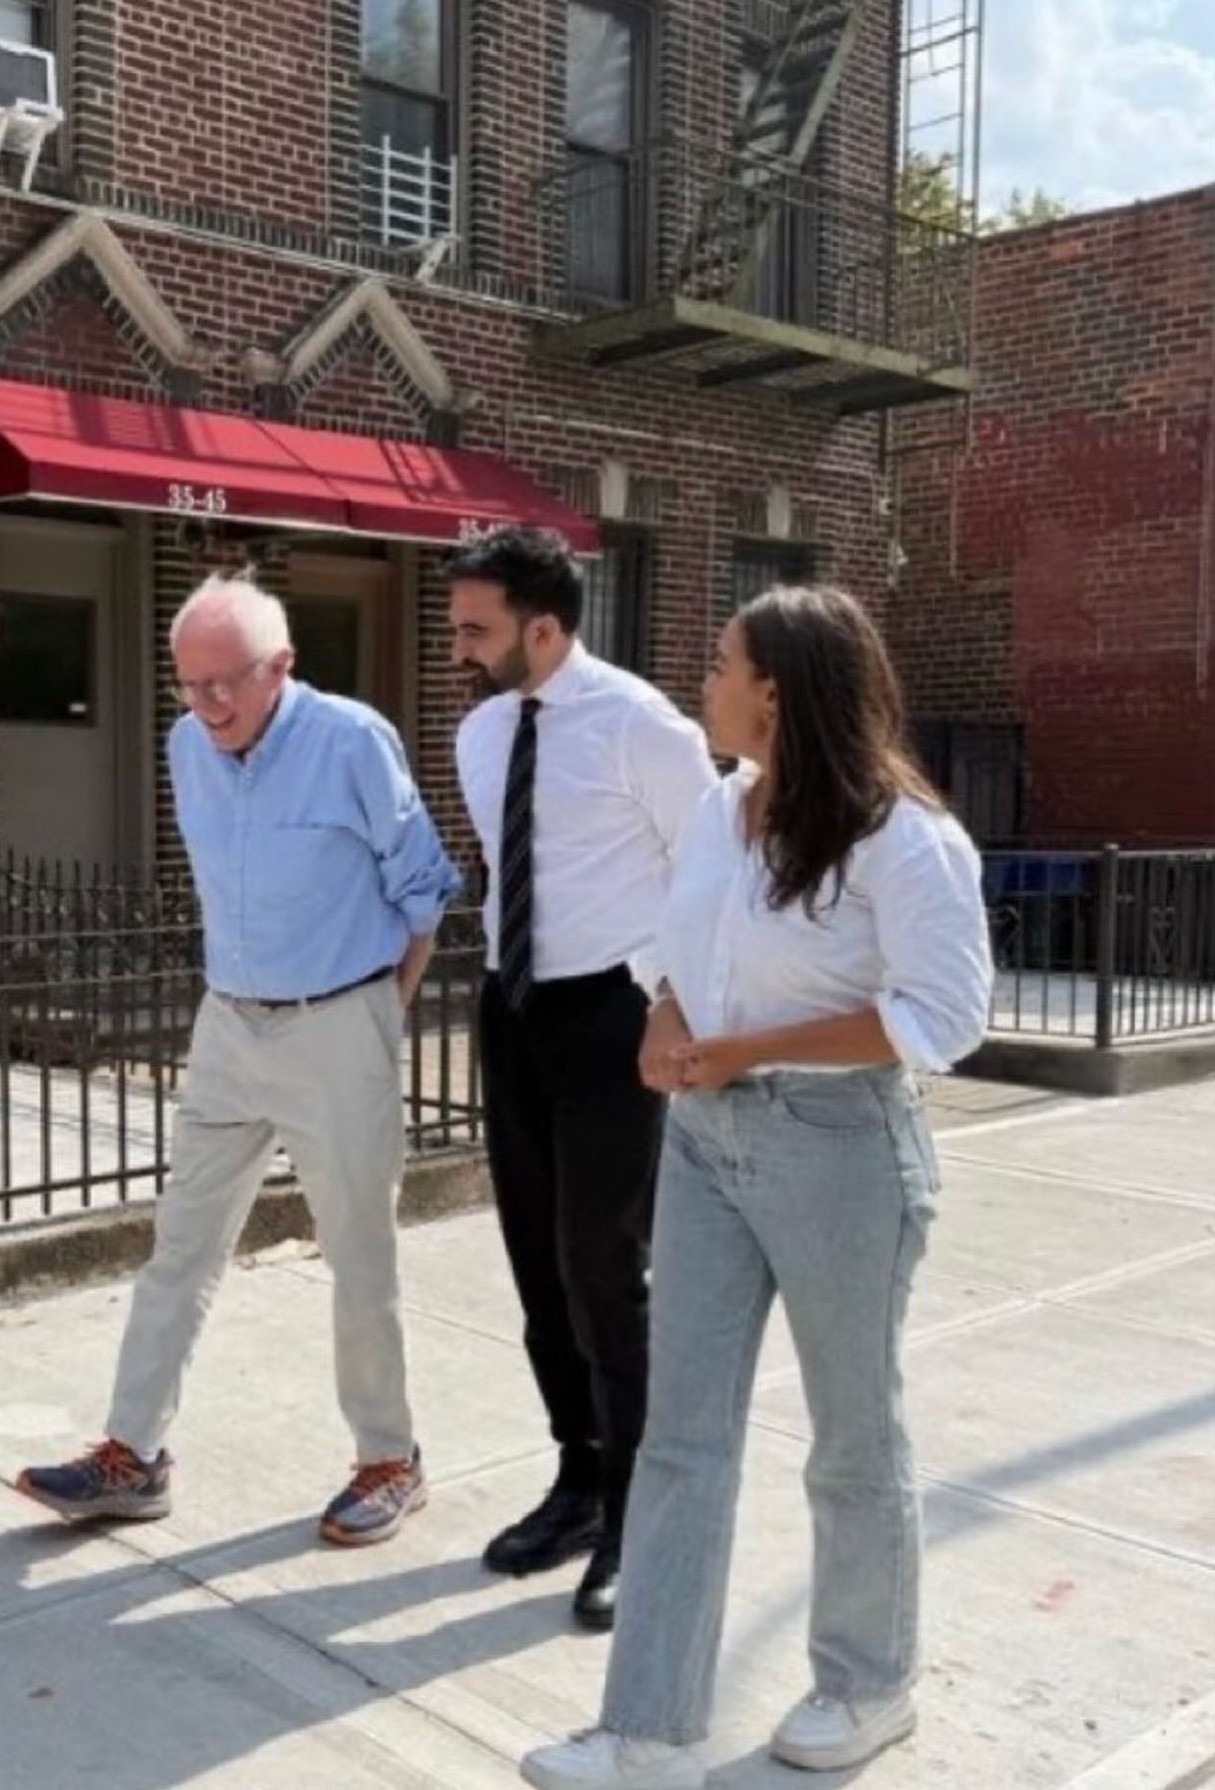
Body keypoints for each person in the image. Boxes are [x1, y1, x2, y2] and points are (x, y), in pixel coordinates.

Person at [521, 585, 993, 1789]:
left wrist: (750, 1046)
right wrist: (667, 1020)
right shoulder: (725, 809)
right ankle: (650, 1724)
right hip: (705, 1140)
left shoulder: (903, 835)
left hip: (840, 1150)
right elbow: (674, 946)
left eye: (721, 663)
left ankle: (867, 1680)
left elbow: (940, 1018)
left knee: (850, 1433)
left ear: (775, 689)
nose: (705, 681)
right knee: (680, 1436)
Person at [17, 573, 459, 1545]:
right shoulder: (187, 746)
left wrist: (377, 1011)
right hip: (227, 1023)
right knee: (180, 1246)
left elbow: (424, 886)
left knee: (359, 1253)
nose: (208, 703)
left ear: (283, 666)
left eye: (228, 681)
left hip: (339, 1019)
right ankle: (132, 1452)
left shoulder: (350, 740)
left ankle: (390, 1456)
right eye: (191, 683)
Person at [449, 526, 716, 1630]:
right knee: (535, 1265)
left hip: (613, 1010)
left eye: (476, 626)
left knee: (605, 1265)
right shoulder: (479, 731)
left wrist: (663, 995)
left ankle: (639, 1509)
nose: (459, 644)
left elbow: (707, 870)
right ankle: (578, 1474)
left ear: (545, 626)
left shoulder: (641, 725)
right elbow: (509, 871)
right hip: (514, 1006)